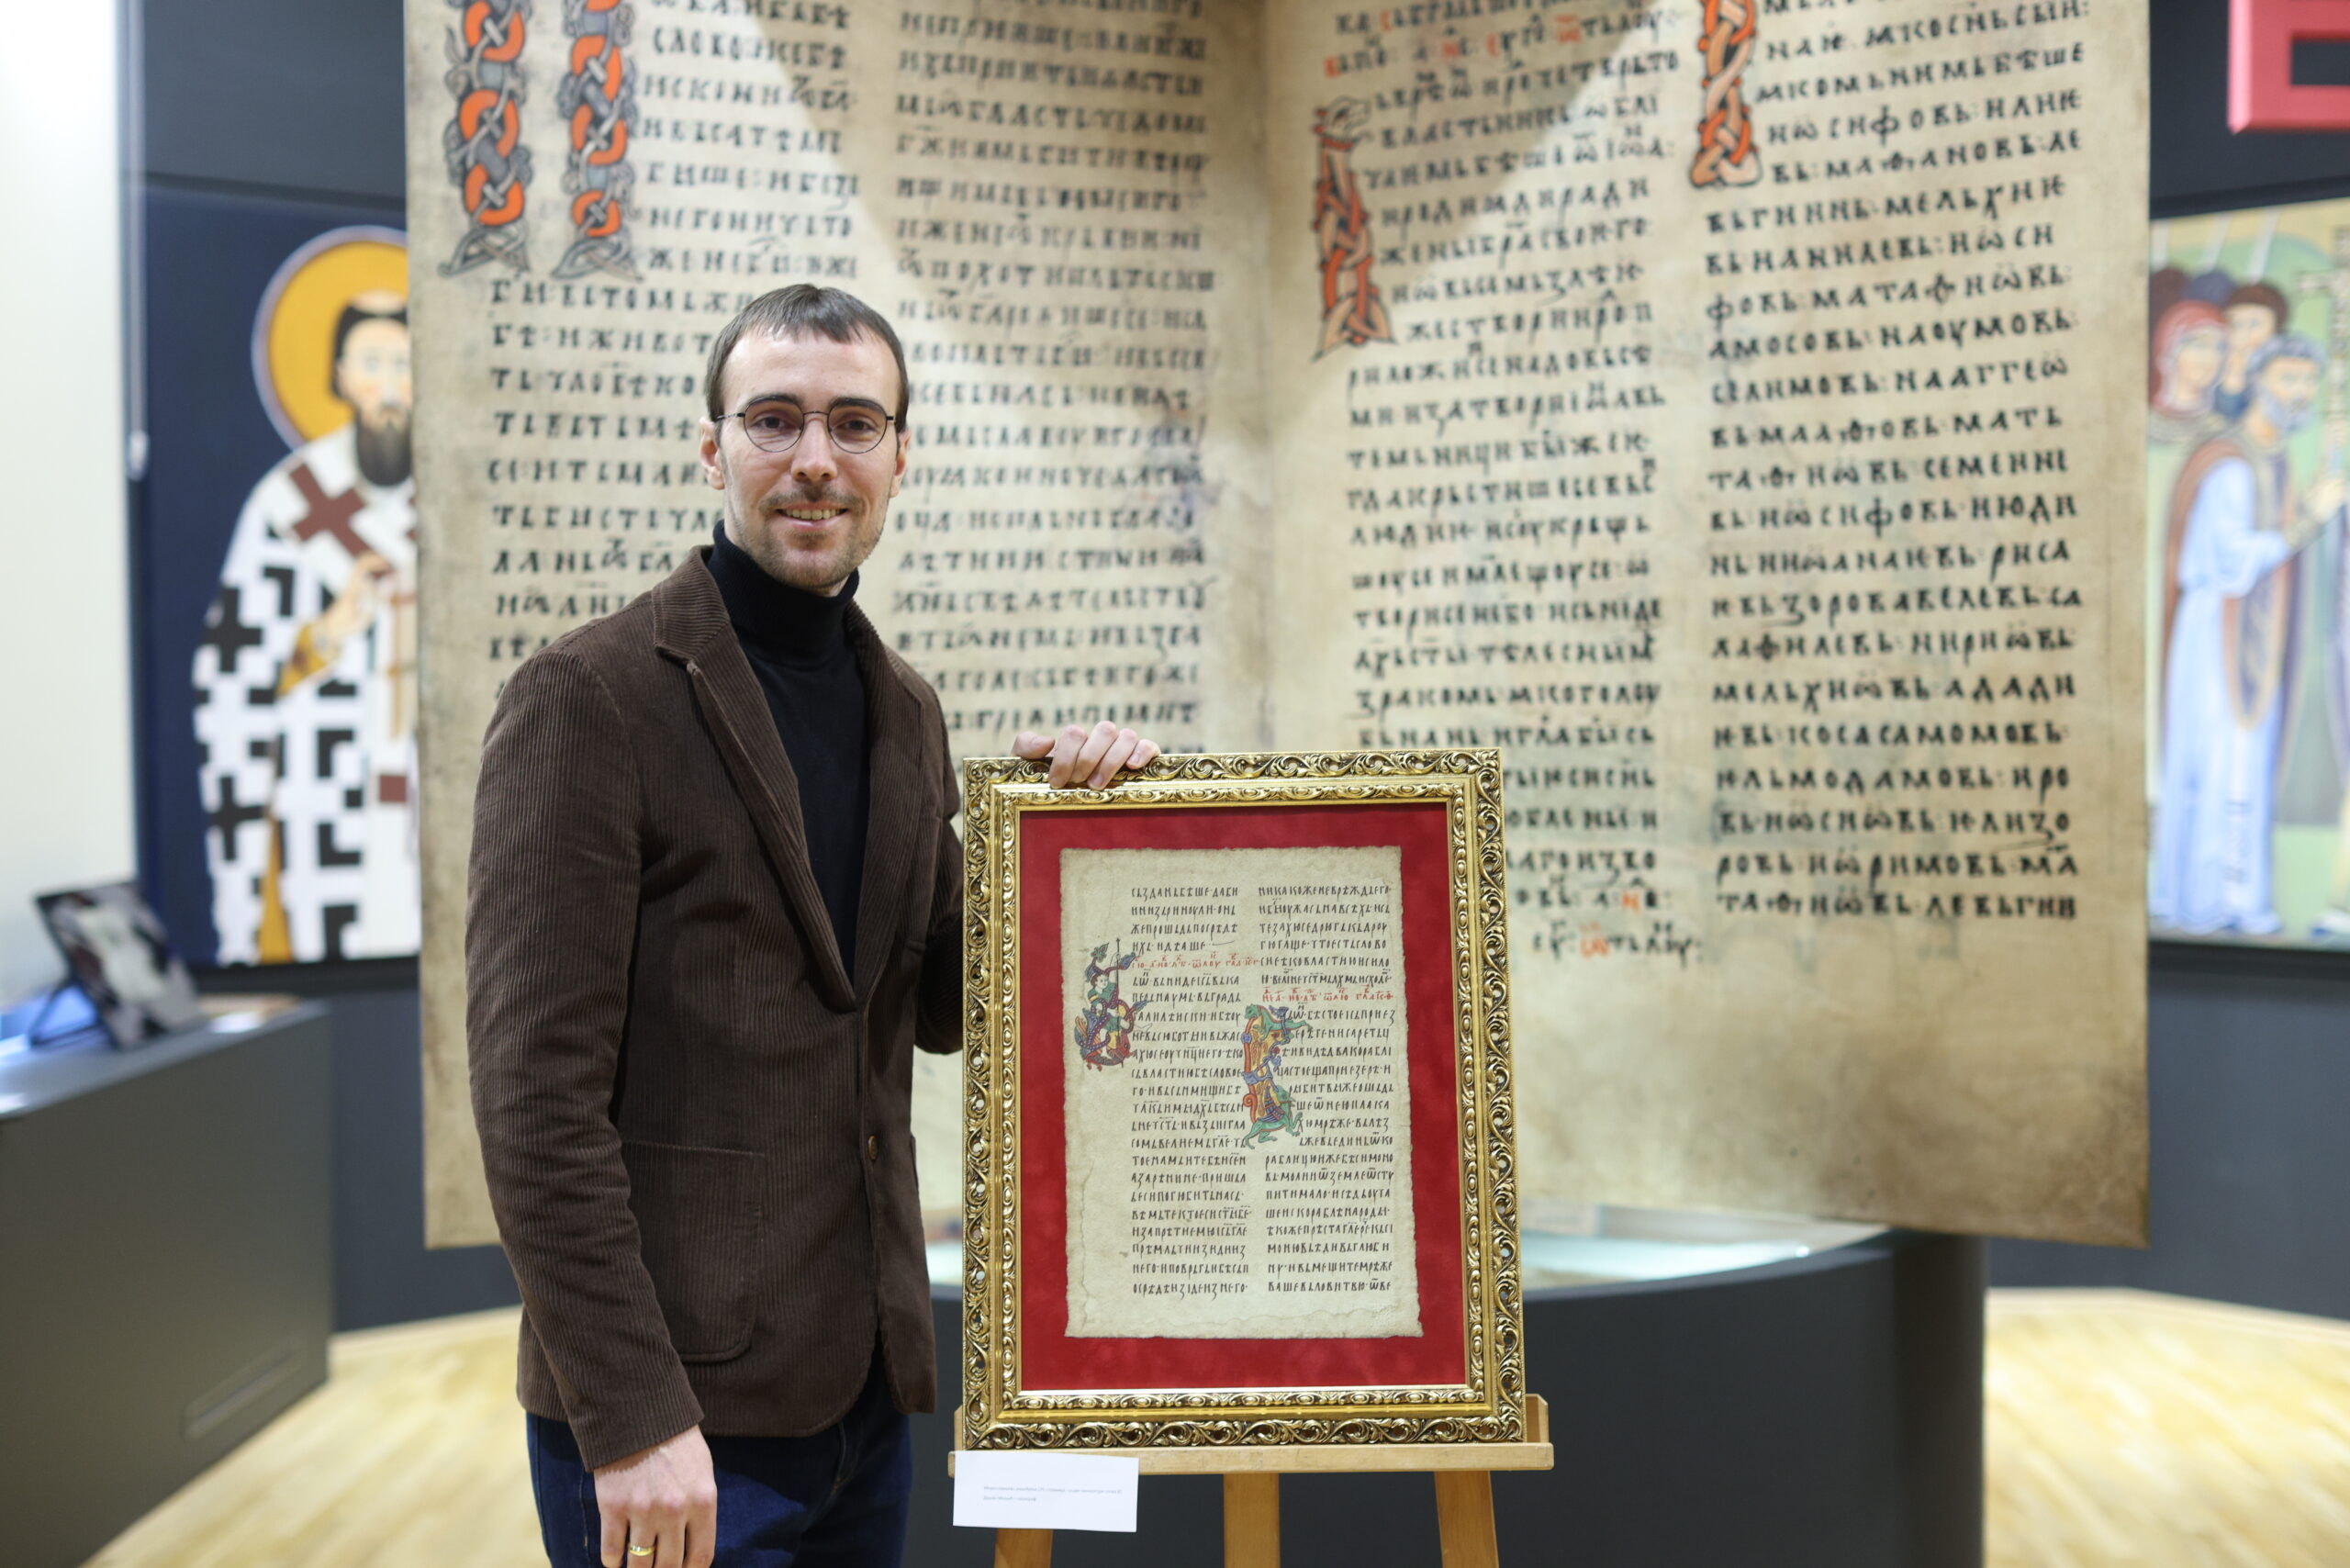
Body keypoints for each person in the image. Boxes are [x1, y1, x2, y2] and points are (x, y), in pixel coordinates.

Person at [466, 285, 1159, 1568]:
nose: (814, 461)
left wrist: (1071, 841)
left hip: (862, 1391)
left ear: (900, 457)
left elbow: (941, 1003)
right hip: (675, 1422)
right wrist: (632, 1417)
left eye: (853, 424)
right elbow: (531, 1103)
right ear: (712, 447)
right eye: (774, 419)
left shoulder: (906, 708)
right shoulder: (587, 697)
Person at [194, 292, 418, 962]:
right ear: (341, 376)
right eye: (371, 363)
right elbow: (230, 673)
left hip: (436, 792)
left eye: (403, 364)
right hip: (331, 793)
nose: (388, 386)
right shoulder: (288, 503)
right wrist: (324, 636)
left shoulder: (458, 499)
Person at [2153, 334, 2344, 935]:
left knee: (2243, 766)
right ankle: (2206, 903)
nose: (2300, 392)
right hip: (2215, 633)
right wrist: (2310, 518)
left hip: (2250, 629)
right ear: (2259, 384)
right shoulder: (2231, 462)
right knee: (2217, 764)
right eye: (2288, 379)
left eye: (2307, 381)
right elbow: (2231, 561)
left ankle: (2237, 899)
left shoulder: (2273, 455)